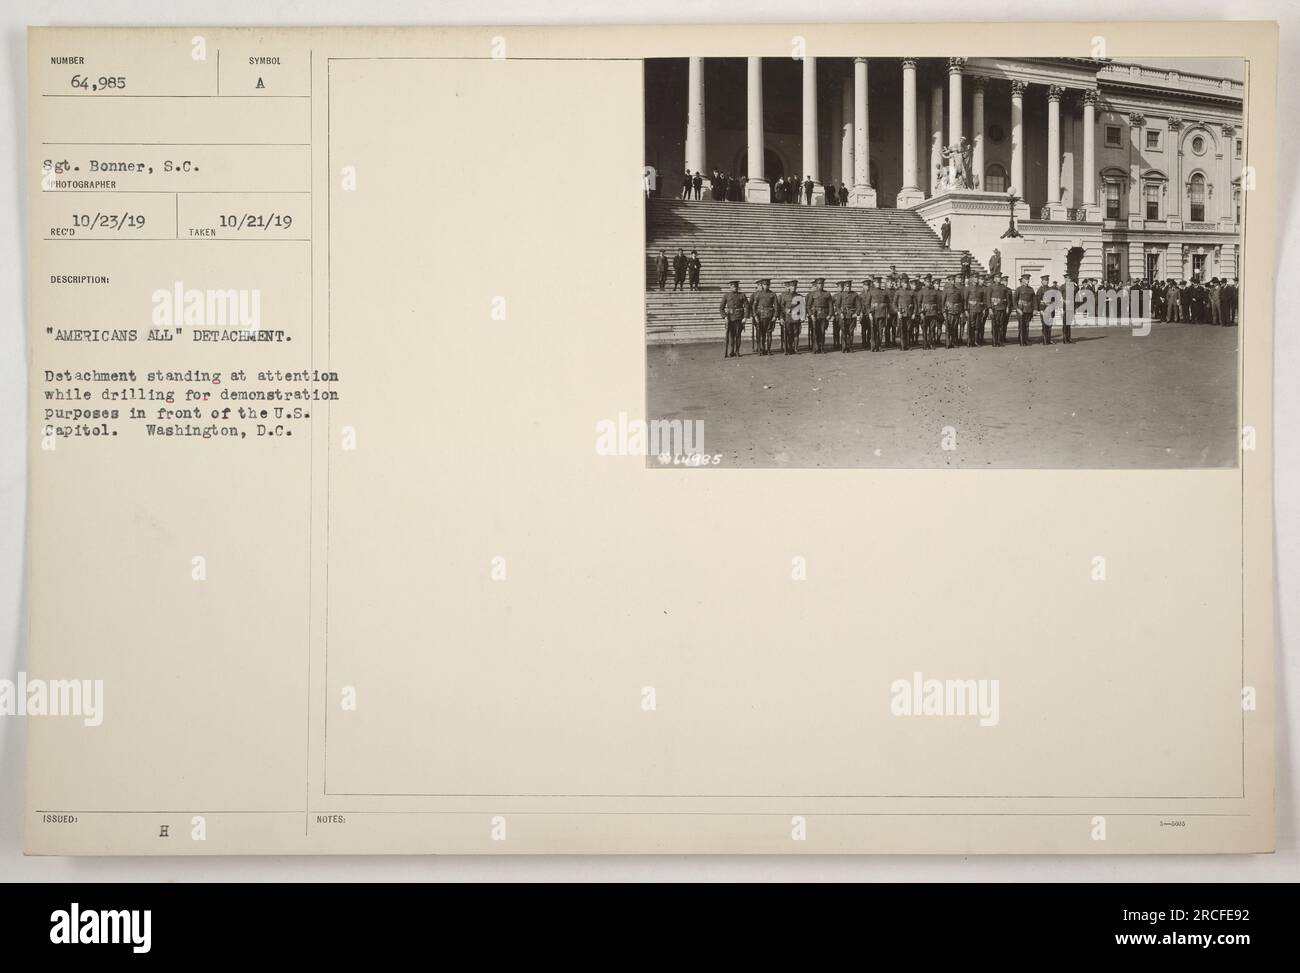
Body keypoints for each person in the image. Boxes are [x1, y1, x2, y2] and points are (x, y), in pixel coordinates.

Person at [750, 278, 780, 356]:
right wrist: (755, 316)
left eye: (767, 285)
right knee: (760, 334)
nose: (766, 286)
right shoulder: (758, 294)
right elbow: (754, 306)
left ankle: (769, 350)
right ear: (762, 285)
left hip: (770, 317)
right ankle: (761, 349)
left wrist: (775, 316)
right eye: (764, 285)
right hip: (760, 317)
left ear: (769, 285)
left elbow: (776, 306)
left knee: (769, 334)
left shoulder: (773, 294)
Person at [720, 280, 747, 358]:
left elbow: (747, 307)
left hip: (739, 318)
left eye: (736, 286)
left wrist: (745, 317)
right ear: (730, 287)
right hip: (730, 318)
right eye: (733, 286)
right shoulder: (727, 295)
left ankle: (737, 351)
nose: (735, 288)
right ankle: (731, 351)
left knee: (738, 335)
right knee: (731, 336)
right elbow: (721, 307)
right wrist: (724, 316)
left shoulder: (742, 295)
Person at [806, 277, 833, 352]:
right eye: (819, 284)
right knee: (815, 332)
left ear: (823, 284)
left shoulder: (827, 294)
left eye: (822, 284)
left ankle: (822, 348)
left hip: (824, 315)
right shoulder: (812, 294)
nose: (820, 285)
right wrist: (811, 315)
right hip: (815, 315)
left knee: (822, 332)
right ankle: (815, 348)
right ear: (816, 285)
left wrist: (829, 315)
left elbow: (830, 305)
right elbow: (808, 306)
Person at [777, 279, 802, 355]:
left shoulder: (799, 296)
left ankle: (796, 349)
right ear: (789, 287)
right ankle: (789, 348)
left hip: (796, 317)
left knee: (796, 333)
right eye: (791, 286)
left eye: (794, 286)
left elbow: (802, 307)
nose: (793, 287)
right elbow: (781, 307)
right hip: (788, 317)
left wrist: (802, 317)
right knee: (788, 333)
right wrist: (782, 316)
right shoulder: (784, 296)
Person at [965, 273, 988, 347]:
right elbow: (965, 300)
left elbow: (984, 299)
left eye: (977, 278)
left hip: (979, 310)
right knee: (970, 326)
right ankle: (969, 341)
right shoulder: (968, 288)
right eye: (975, 277)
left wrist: (984, 309)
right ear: (971, 279)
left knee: (977, 326)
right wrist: (965, 310)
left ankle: (975, 341)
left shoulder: (980, 288)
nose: (976, 279)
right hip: (971, 310)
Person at [988, 274, 1011, 347]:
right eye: (997, 278)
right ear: (994, 279)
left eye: (999, 278)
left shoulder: (1003, 287)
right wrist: (989, 308)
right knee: (995, 325)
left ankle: (999, 341)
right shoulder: (991, 287)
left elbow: (1007, 298)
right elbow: (988, 299)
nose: (999, 279)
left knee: (1001, 325)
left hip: (1002, 308)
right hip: (995, 308)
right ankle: (994, 342)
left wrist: (1007, 307)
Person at [1014, 273, 1036, 346]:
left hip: (1028, 309)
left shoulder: (1031, 289)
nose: (1027, 281)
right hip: (1021, 310)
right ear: (1023, 280)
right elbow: (1014, 300)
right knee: (1021, 326)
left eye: (1028, 279)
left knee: (1027, 325)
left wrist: (1035, 309)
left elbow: (1034, 300)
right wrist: (1017, 309)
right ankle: (1021, 341)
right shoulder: (1018, 289)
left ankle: (1025, 340)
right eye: (1026, 279)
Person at [941, 274, 963, 349]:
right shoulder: (946, 290)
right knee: (948, 328)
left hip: (956, 311)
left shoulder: (958, 290)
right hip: (949, 311)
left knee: (955, 327)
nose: (953, 281)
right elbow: (943, 302)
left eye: (954, 280)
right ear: (949, 281)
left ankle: (954, 342)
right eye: (951, 280)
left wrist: (961, 311)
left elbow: (960, 301)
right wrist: (943, 312)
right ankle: (948, 343)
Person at [1036, 274, 1054, 345]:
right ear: (1042, 281)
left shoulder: (1050, 289)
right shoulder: (1040, 290)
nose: (1046, 282)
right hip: (1043, 309)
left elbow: (1053, 300)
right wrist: (1040, 310)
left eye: (1047, 280)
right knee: (1044, 325)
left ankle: (1049, 340)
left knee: (1049, 325)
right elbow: (1037, 301)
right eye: (1044, 280)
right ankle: (1045, 340)